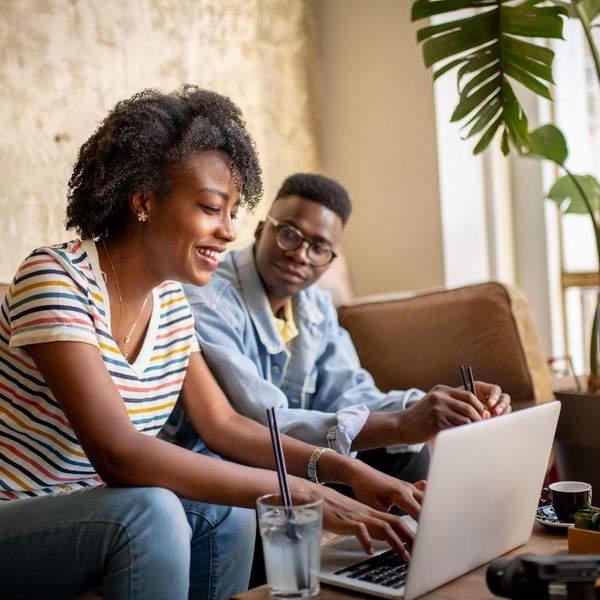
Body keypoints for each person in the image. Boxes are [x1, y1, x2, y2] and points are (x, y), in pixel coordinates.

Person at [0, 88, 426, 600]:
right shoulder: (55, 277)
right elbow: (119, 453)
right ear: (144, 200)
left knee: (230, 512)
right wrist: (305, 493)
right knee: (150, 511)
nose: (227, 234)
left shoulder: (172, 304)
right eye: (210, 208)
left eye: (232, 214)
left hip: (94, 510)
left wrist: (345, 470)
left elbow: (225, 427)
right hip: (17, 513)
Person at [167, 173, 512, 491]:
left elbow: (352, 393)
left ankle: (390, 558)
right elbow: (260, 424)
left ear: (330, 260)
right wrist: (402, 422)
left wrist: (431, 406)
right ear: (261, 230)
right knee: (390, 442)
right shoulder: (208, 298)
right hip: (229, 459)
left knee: (406, 456)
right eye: (289, 234)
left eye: (318, 248)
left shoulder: (316, 306)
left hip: (295, 456)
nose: (300, 255)